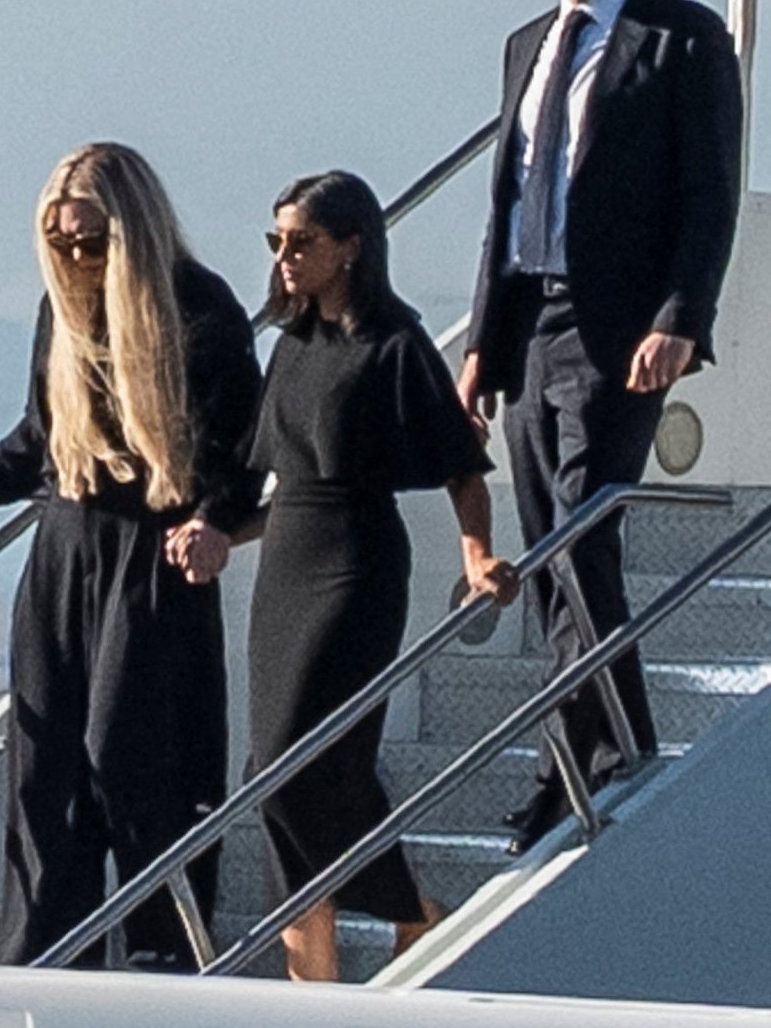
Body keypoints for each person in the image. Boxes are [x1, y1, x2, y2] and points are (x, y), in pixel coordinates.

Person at [0, 143, 262, 967]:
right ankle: (44, 959)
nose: (78, 259)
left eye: (93, 242)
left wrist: (217, 522)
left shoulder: (201, 309)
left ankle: (167, 952)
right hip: (65, 552)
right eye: (62, 245)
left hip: (150, 555)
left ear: (135, 233)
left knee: (134, 760)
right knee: (43, 770)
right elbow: (37, 444)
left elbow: (242, 449)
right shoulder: (66, 313)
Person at [457, 0, 743, 855]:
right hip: (530, 323)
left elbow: (710, 195)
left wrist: (680, 317)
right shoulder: (528, 46)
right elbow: (505, 202)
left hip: (619, 330)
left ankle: (601, 753)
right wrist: (484, 347)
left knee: (584, 535)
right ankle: (582, 752)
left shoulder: (684, 39)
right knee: (544, 555)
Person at [168, 170, 518, 981]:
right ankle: (314, 968)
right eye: (277, 242)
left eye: (303, 242)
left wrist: (475, 555)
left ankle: (413, 913)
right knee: (273, 769)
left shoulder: (396, 346)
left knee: (303, 761)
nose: (286, 258)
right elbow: (273, 481)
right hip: (287, 561)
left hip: (356, 566)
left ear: (351, 247)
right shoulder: (292, 346)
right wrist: (214, 529)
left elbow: (462, 468)